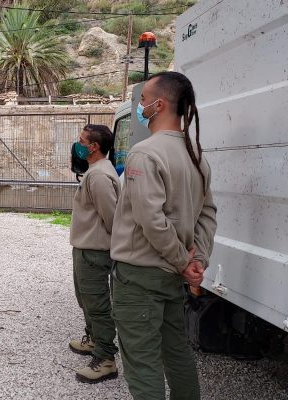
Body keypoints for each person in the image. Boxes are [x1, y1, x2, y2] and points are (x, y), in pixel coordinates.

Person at [110, 71, 217, 399]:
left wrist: (183, 262)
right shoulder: (197, 154)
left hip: (140, 277)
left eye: (143, 101)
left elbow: (150, 220)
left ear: (159, 105)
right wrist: (195, 259)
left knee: (142, 364)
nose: (140, 107)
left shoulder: (144, 153)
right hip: (172, 276)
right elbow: (207, 214)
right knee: (177, 355)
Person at [68, 124, 120, 383]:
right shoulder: (95, 172)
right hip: (86, 248)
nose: (77, 145)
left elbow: (112, 217)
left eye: (81, 140)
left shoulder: (99, 176)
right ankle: (93, 339)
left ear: (94, 146)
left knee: (97, 305)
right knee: (86, 300)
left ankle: (105, 358)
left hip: (95, 251)